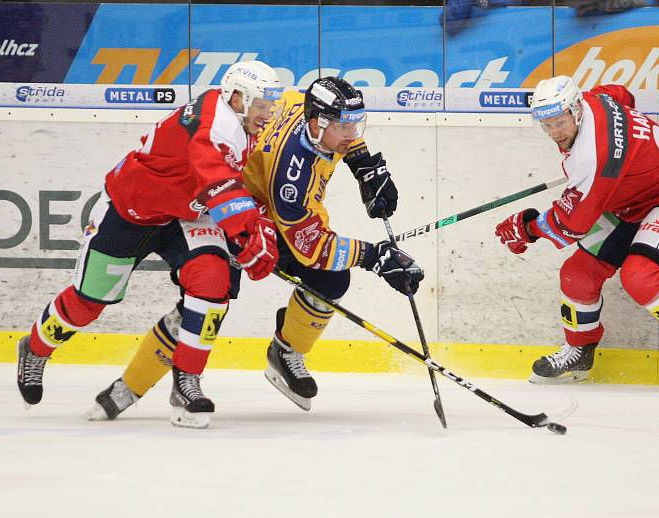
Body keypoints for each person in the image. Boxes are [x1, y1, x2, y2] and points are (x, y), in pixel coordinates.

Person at [85, 76, 424, 419]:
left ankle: (285, 352)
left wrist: (363, 163)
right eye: (342, 127)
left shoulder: (300, 105)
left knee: (331, 282)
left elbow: (342, 130)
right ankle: (129, 387)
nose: (351, 134)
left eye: (355, 125)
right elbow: (312, 247)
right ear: (317, 124)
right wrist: (375, 257)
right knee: (205, 305)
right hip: (234, 217)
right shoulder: (290, 180)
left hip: (271, 213)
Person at [17, 60, 285, 428]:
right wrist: (247, 229)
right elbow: (218, 181)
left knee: (211, 282)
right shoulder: (216, 124)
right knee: (89, 302)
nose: (267, 113)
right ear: (236, 97)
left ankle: (186, 381)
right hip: (129, 213)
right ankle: (35, 348)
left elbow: (219, 186)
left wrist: (247, 230)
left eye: (270, 105)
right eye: (261, 105)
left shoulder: (238, 119)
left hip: (182, 216)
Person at [494, 75, 659, 392]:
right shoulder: (595, 99)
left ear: (575, 111)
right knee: (578, 274)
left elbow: (571, 225)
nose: (554, 133)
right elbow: (622, 94)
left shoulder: (593, 157)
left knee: (639, 276)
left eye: (559, 122)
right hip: (631, 200)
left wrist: (527, 228)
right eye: (546, 125)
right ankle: (580, 352)